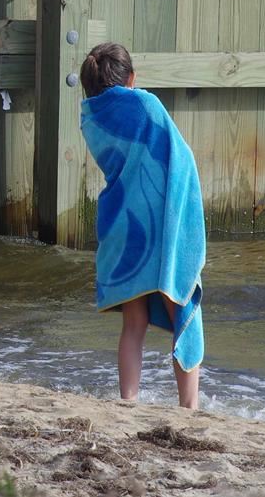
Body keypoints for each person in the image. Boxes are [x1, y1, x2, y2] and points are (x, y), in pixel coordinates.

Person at [79, 42, 205, 410]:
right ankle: (189, 405)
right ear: (131, 79)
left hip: (122, 222)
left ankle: (128, 402)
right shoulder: (146, 105)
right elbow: (180, 159)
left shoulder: (91, 118)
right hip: (160, 228)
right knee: (179, 305)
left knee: (133, 324)